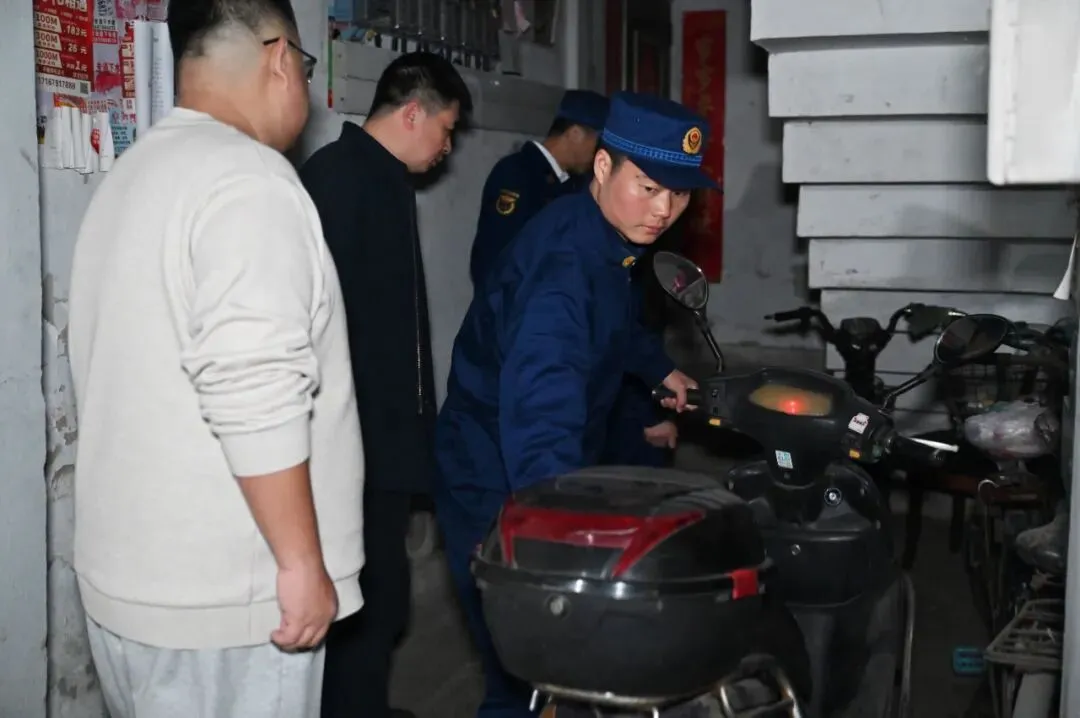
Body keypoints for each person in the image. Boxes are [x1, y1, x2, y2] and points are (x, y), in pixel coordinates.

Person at [66, 1, 363, 717]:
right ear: (280, 59)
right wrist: (300, 563)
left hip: (131, 590)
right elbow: (253, 384)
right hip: (232, 603)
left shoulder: (133, 174)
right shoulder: (250, 182)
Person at [434, 91, 717, 718]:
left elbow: (612, 319)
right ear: (603, 167)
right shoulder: (562, 273)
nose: (663, 210)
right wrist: (558, 538)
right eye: (648, 188)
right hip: (498, 474)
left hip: (521, 458)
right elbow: (541, 414)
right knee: (528, 676)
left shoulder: (597, 232)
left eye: (679, 194)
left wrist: (658, 367)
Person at [299, 52, 472, 718]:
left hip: (384, 439)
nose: (447, 147)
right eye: (446, 130)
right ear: (412, 113)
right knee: (361, 601)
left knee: (383, 596)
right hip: (353, 441)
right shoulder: (339, 180)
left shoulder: (382, 179)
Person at [468, 89, 609, 286]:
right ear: (575, 134)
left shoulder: (573, 183)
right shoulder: (517, 174)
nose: (600, 152)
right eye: (598, 142)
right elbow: (495, 257)